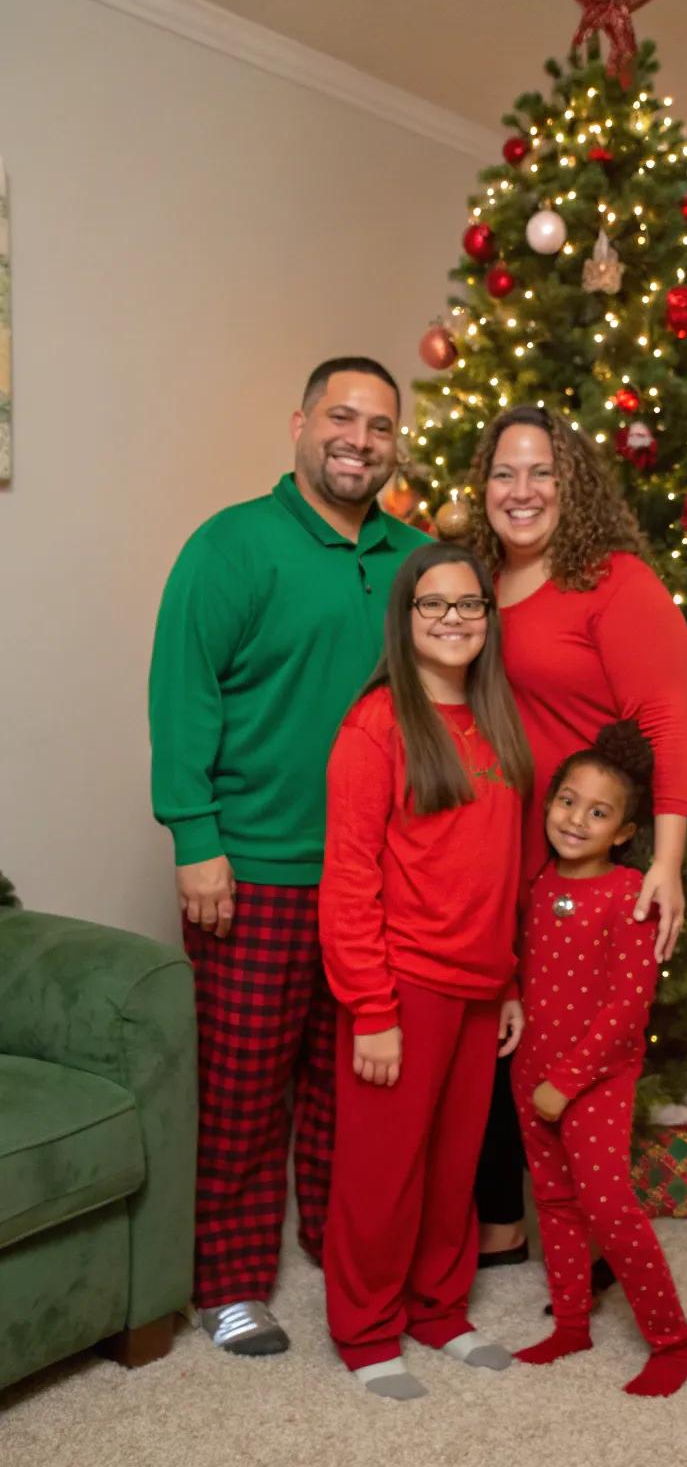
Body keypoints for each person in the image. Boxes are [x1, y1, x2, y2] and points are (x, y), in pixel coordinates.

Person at [149, 357, 427, 1355]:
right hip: (254, 867)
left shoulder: (415, 561)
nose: (359, 439)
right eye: (341, 418)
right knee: (242, 1084)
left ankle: (333, 1242)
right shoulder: (231, 545)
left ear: (398, 443)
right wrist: (196, 840)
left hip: (374, 875)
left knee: (350, 1081)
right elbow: (185, 690)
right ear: (300, 424)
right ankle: (229, 1282)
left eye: (380, 425)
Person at [469, 404, 687, 1264]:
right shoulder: (476, 578)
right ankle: (503, 1220)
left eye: (541, 474)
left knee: (579, 1041)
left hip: (588, 851)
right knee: (500, 1032)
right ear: (482, 486)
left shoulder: (616, 582)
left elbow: (664, 726)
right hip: (498, 844)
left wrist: (663, 863)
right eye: (504, 473)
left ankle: (593, 1233)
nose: (520, 491)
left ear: (574, 487)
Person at [319, 543, 533, 1401]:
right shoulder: (376, 726)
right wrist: (371, 1008)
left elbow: (501, 867)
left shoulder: (495, 723)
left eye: (470, 603)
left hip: (481, 988)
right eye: (433, 604)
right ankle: (366, 1329)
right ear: (405, 620)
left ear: (488, 616)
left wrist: (510, 980)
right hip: (402, 986)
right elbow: (348, 879)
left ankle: (438, 1308)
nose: (454, 618)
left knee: (453, 1164)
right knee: (383, 1169)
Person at [513, 721, 687, 1397]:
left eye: (598, 812)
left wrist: (565, 1082)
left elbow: (627, 1010)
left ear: (623, 832)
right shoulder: (535, 883)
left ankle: (671, 1342)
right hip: (530, 1070)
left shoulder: (630, 896)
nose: (576, 819)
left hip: (593, 1079)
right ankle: (571, 1322)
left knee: (608, 1205)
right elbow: (520, 966)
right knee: (555, 1202)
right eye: (567, 801)